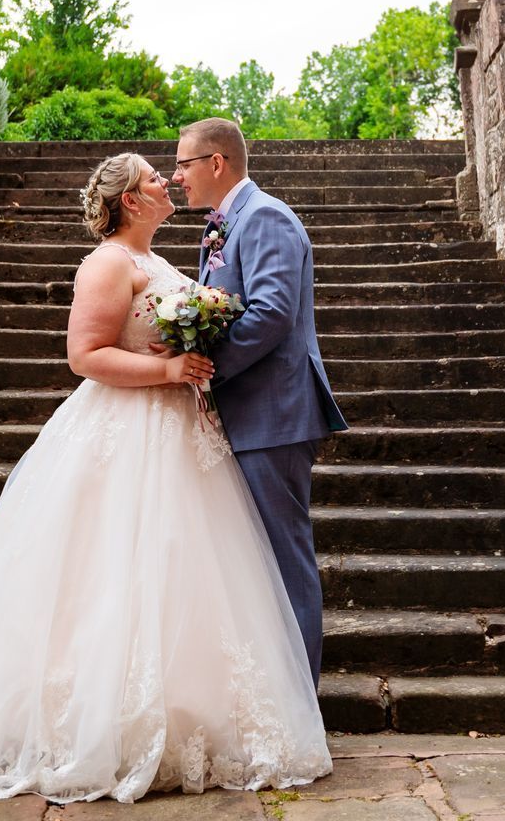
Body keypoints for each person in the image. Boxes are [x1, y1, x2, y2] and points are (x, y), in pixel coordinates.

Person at [0, 153, 331, 803]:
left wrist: (197, 358)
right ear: (130, 199)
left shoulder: (158, 264)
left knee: (182, 568)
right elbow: (84, 356)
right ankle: (95, 720)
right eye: (155, 177)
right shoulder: (106, 263)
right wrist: (166, 373)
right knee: (105, 574)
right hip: (123, 434)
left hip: (182, 438)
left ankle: (198, 710)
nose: (167, 182)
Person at [170, 118, 347, 681]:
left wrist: (206, 372)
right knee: (258, 564)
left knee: (284, 559)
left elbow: (271, 313)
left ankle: (301, 700)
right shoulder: (227, 222)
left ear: (216, 163)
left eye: (183, 165)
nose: (176, 177)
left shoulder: (265, 216)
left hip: (273, 414)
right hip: (249, 416)